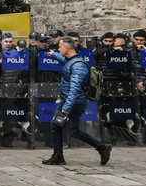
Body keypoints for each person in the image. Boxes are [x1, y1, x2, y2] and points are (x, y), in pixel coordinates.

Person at [42, 35, 110, 166]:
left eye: (60, 46)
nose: (58, 48)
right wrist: (54, 55)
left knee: (56, 126)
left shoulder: (78, 66)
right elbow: (66, 62)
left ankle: (58, 156)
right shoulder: (72, 60)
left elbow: (74, 90)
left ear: (66, 47)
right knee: (72, 130)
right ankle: (101, 147)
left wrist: (66, 108)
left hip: (73, 101)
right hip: (70, 100)